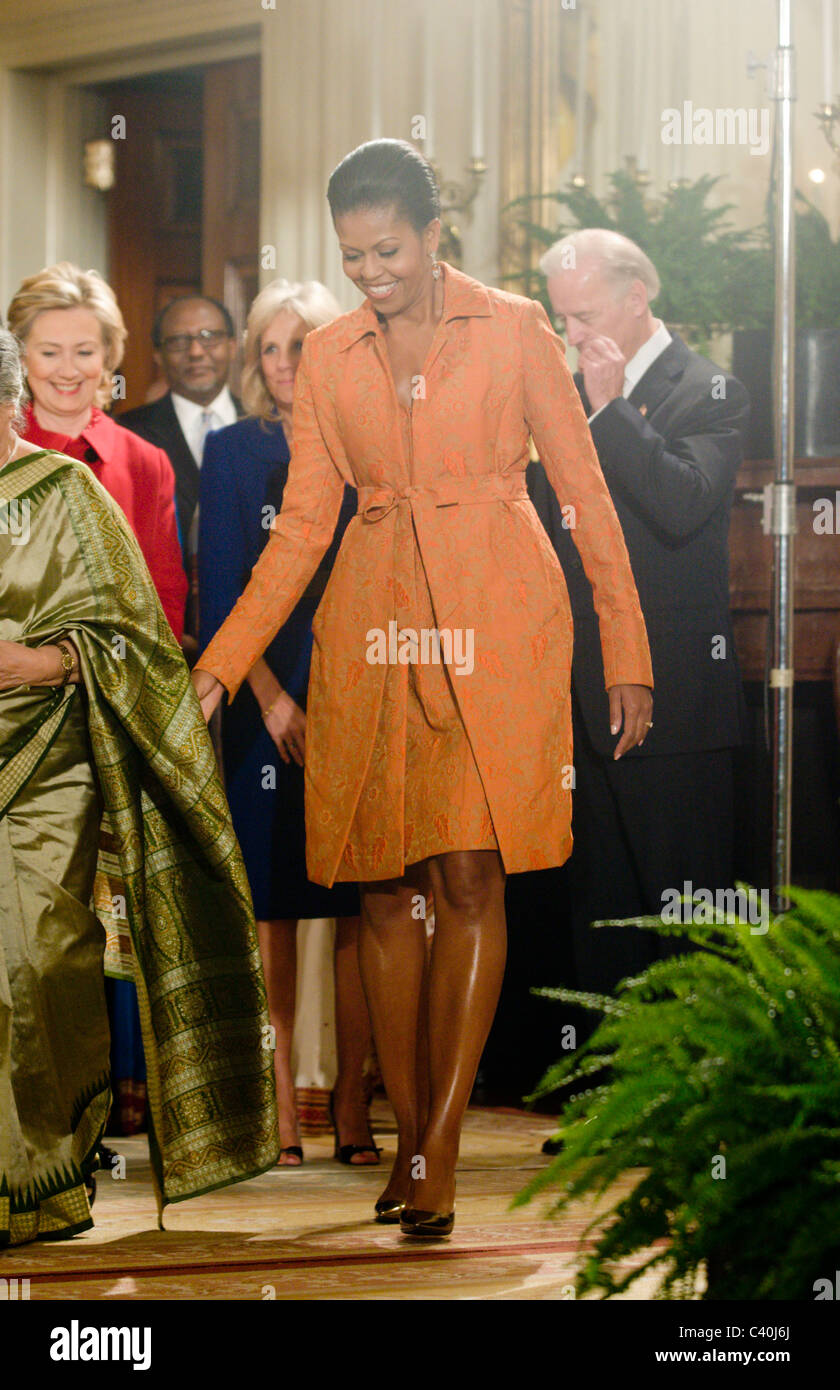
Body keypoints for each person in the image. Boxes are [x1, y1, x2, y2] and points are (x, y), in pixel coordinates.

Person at [192, 139, 652, 1237]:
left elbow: (584, 491)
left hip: (503, 620)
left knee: (468, 875)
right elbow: (304, 527)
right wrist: (217, 665)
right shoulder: (333, 354)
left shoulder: (516, 329)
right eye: (351, 256)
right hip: (371, 626)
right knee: (380, 888)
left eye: (387, 250)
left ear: (436, 234)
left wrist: (626, 646)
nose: (369, 274)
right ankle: (400, 1135)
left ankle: (439, 1141)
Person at [0, 328, 278, 1247]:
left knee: (36, 964)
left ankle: (38, 1177)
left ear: (9, 401)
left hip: (50, 766)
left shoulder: (67, 492)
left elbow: (138, 642)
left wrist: (36, 660)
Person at [528, 228, 749, 1007]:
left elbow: (684, 502)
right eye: (562, 320)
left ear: (636, 298)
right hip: (582, 696)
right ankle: (606, 1106)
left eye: (583, 316)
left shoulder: (708, 389)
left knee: (684, 916)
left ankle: (687, 1118)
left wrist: (613, 410)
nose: (572, 335)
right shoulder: (564, 395)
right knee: (602, 913)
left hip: (679, 702)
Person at [199, 278, 376, 1166]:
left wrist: (339, 700)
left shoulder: (360, 446)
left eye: (298, 346)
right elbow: (227, 590)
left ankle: (352, 1104)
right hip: (261, 700)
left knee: (350, 906)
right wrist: (268, 699)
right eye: (267, 349)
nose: (281, 365)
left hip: (352, 691)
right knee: (269, 905)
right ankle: (274, 1107)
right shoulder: (230, 452)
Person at [6, 263, 186, 644]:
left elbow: (164, 599)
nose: (68, 371)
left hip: (115, 687)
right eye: (50, 352)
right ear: (22, 358)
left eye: (85, 351)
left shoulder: (146, 461)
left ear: (108, 355)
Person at [120, 296, 242, 654]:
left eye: (209, 336)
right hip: (161, 647)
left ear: (232, 346)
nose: (195, 351)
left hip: (259, 647)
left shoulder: (267, 427)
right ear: (157, 355)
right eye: (177, 341)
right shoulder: (128, 435)